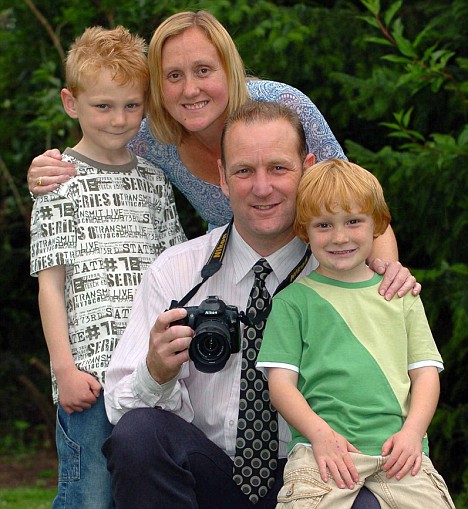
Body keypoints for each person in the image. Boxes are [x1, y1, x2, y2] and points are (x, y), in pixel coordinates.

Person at [102, 101, 419, 509]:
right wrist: (156, 371)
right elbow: (117, 407)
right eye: (244, 171)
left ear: (306, 168)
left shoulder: (350, 276)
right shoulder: (178, 272)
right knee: (139, 434)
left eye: (278, 168)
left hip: (316, 477)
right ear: (222, 177)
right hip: (208, 475)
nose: (262, 187)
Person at [27, 9, 399, 267]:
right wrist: (46, 171)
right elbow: (98, 147)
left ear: (229, 68)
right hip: (238, 275)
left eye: (203, 70)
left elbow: (357, 207)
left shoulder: (284, 107)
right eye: (173, 76)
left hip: (320, 267)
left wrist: (382, 282)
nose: (190, 90)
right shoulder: (153, 138)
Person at [29, 26, 185, 509]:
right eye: (103, 106)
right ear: (71, 102)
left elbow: (176, 275)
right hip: (89, 378)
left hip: (148, 372)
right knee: (89, 496)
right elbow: (51, 287)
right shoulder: (58, 181)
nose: (119, 120)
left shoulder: (155, 180)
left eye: (132, 106)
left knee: (139, 492)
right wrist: (64, 370)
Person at [256, 159, 455, 508]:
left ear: (377, 224)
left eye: (353, 221)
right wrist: (320, 435)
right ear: (304, 230)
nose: (340, 237)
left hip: (400, 451)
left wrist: (412, 433)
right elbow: (281, 385)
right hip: (326, 452)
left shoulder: (401, 296)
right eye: (323, 225)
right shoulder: (292, 302)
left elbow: (425, 374)